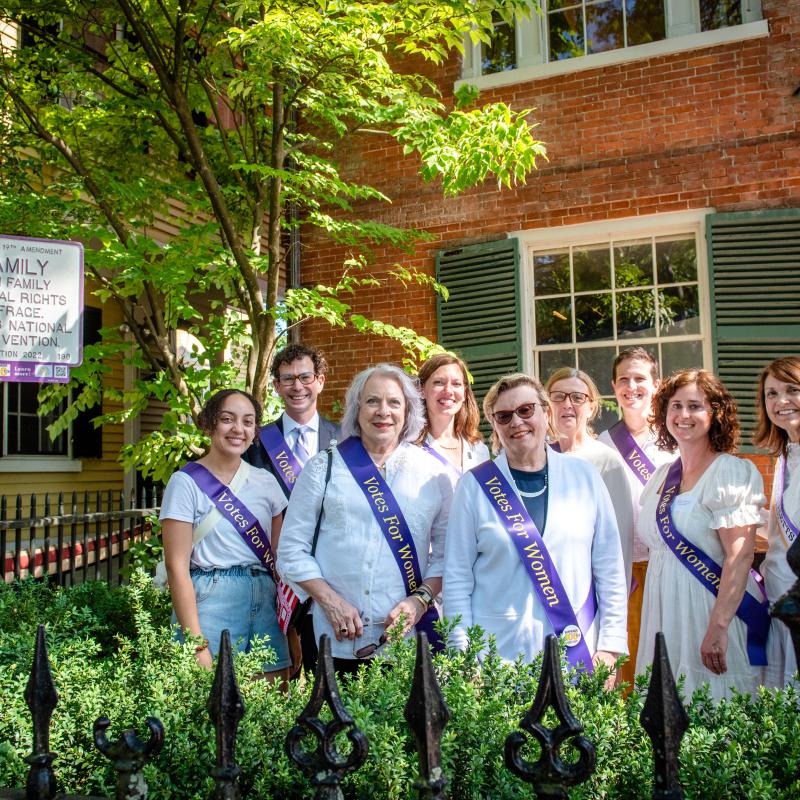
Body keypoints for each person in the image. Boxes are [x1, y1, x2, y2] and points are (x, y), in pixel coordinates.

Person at [443, 373, 628, 683]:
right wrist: (463, 657)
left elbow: (610, 568)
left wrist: (609, 647)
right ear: (495, 424)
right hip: (496, 658)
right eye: (504, 416)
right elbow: (457, 579)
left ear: (545, 412)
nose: (516, 422)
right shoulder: (473, 486)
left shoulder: (584, 476)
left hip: (577, 653)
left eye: (526, 410)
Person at [277, 364, 453, 676]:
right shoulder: (323, 468)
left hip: (407, 641)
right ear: (356, 410)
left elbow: (448, 556)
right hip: (336, 637)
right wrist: (331, 602)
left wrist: (419, 601)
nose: (383, 411)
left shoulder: (434, 475)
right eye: (372, 401)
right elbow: (291, 551)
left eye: (393, 402)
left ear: (408, 410)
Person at [636, 369, 768, 701]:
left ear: (715, 414)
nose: (683, 415)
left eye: (695, 406)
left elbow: (740, 556)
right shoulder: (662, 476)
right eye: (675, 405)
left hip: (709, 609)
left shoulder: (731, 472)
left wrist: (719, 626)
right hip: (664, 608)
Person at [160, 389, 291, 683]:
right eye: (227, 419)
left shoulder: (266, 481)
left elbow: (280, 562)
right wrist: (196, 643)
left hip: (265, 598)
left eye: (247, 421)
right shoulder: (184, 483)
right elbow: (176, 567)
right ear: (209, 423)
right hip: (211, 597)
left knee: (270, 707)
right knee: (210, 704)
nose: (238, 429)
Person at [244, 342, 340, 672]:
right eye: (287, 379)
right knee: (280, 672)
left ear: (320, 380)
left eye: (304, 376)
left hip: (328, 573)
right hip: (274, 573)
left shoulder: (344, 440)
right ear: (276, 386)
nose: (297, 386)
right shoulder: (256, 441)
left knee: (322, 667)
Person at [598, 348, 676, 688]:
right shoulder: (602, 444)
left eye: (640, 378)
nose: (632, 386)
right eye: (624, 379)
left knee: (668, 653)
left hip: (671, 563)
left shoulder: (676, 439)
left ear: (656, 385)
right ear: (614, 387)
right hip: (623, 570)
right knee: (626, 660)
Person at [545, 367, 635, 588]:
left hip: (587, 586)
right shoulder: (537, 458)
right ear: (546, 405)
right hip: (543, 578)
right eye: (558, 397)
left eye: (577, 397)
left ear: (591, 407)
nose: (567, 404)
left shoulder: (606, 461)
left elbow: (619, 539)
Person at [754, 356, 800, 688]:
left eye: (792, 390)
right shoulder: (785, 457)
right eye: (771, 394)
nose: (780, 401)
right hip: (779, 600)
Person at [417, 352, 490, 483]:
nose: (448, 391)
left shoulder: (479, 450)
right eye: (439, 382)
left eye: (456, 384)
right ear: (421, 390)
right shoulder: (409, 448)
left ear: (465, 392)